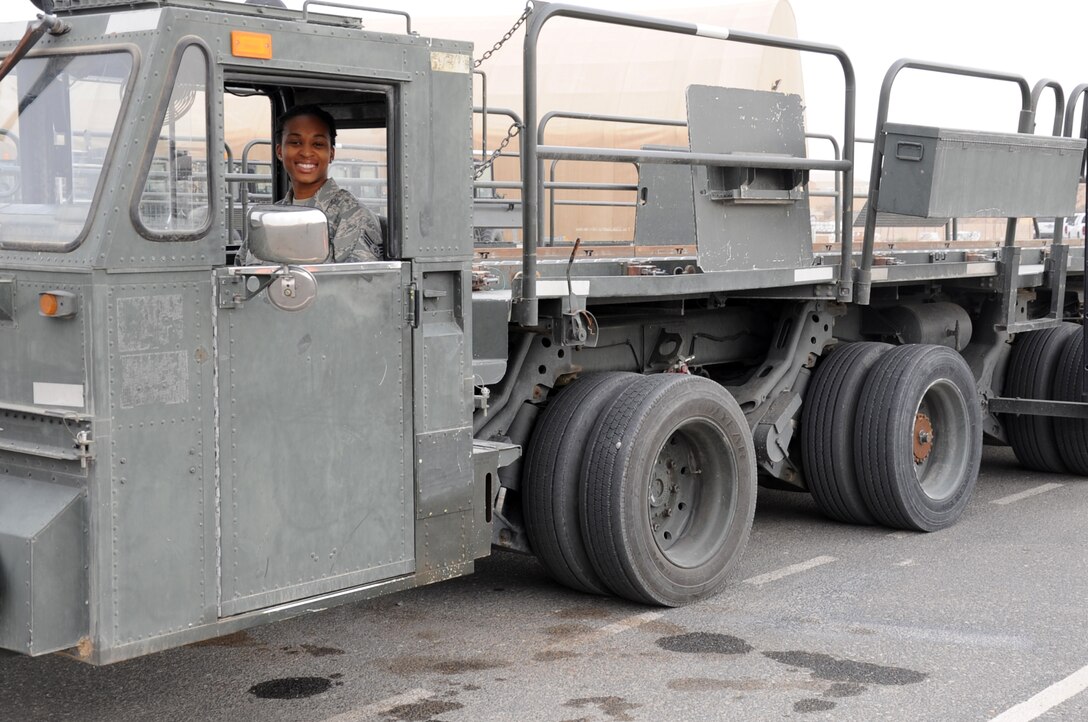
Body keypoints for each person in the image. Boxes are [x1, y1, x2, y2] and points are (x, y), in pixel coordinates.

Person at [240, 104, 383, 264]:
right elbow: (240, 272)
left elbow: (360, 285)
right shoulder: (269, 218)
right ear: (280, 151)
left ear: (331, 154)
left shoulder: (353, 216)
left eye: (318, 144)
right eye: (295, 142)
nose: (306, 153)